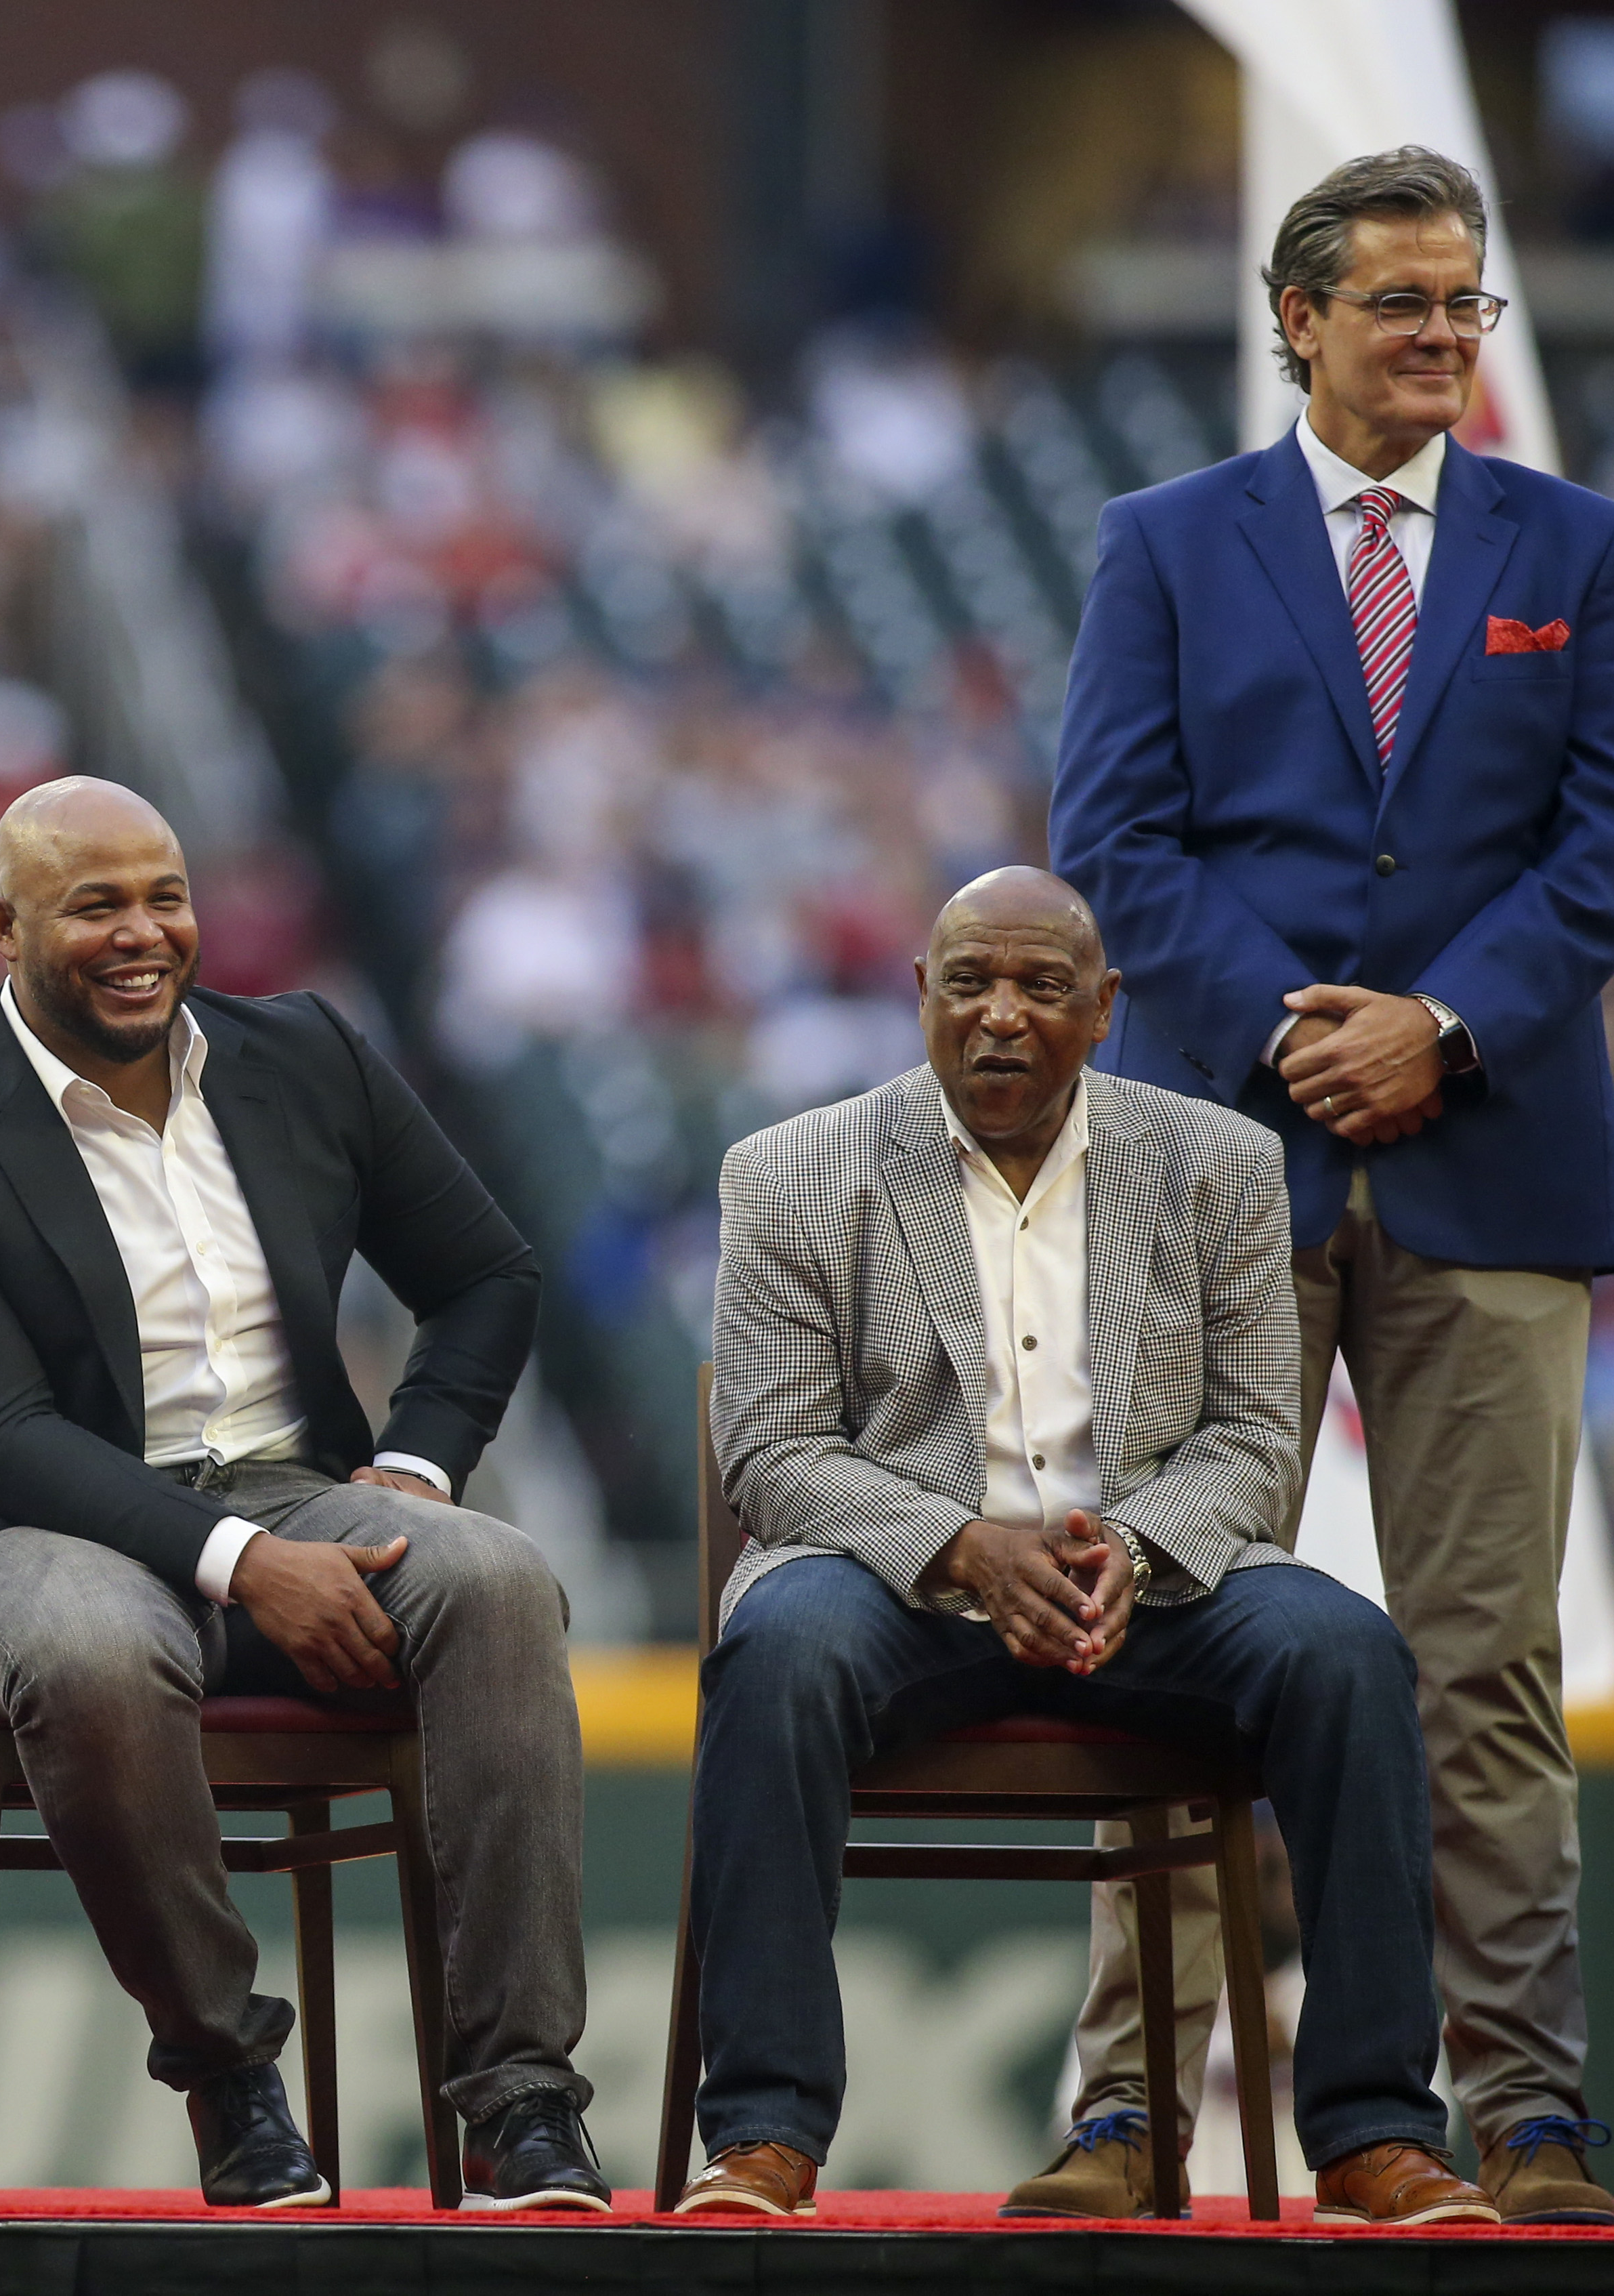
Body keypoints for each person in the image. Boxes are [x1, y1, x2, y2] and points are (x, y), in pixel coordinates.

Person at [1050, 145, 1614, 2223]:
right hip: (1221, 1155)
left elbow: (1603, 840)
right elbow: (1109, 836)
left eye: (1464, 305)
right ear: (1297, 317)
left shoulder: (1580, 544)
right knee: (1170, 1629)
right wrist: (1308, 1031)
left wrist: (1440, 1029)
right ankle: (1125, 2112)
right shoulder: (1162, 543)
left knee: (1484, 1662)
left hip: (1496, 1155)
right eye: (1402, 305)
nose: (1445, 338)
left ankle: (1526, 2113)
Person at [0, 776, 599, 2211]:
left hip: (304, 1490)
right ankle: (228, 2077)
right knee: (89, 1648)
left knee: (495, 1578)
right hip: (33, 1530)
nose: (142, 933)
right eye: (94, 905)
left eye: (164, 896)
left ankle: (521, 2104)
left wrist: (413, 1469)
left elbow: (487, 1275)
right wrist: (247, 1563)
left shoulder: (302, 1054)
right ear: (2, 925)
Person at [679, 868, 1485, 2226]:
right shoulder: (788, 1170)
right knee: (773, 1652)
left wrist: (1128, 1545)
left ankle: (1369, 2135)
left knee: (1347, 1651)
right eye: (971, 984)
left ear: (1104, 1011)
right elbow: (769, 1451)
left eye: (1043, 987)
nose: (1002, 1015)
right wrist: (958, 1547)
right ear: (916, 996)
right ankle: (760, 2134)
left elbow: (1248, 1441)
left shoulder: (1216, 1162)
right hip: (898, 1588)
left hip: (1149, 1584)